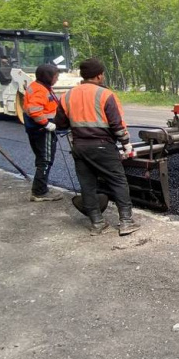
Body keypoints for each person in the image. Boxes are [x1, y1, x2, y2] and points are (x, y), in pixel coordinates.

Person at [54, 58, 139, 236]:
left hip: (79, 147)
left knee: (87, 185)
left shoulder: (67, 96)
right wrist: (126, 144)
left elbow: (60, 125)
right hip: (102, 146)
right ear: (99, 75)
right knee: (118, 181)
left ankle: (97, 223)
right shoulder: (105, 95)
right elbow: (117, 124)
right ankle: (125, 221)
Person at [23, 63, 63, 202]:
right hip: (42, 130)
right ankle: (39, 192)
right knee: (45, 160)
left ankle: (41, 187)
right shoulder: (40, 90)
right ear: (47, 77)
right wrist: (46, 124)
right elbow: (34, 110)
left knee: (42, 159)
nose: (56, 79)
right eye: (55, 77)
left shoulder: (39, 87)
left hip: (36, 129)